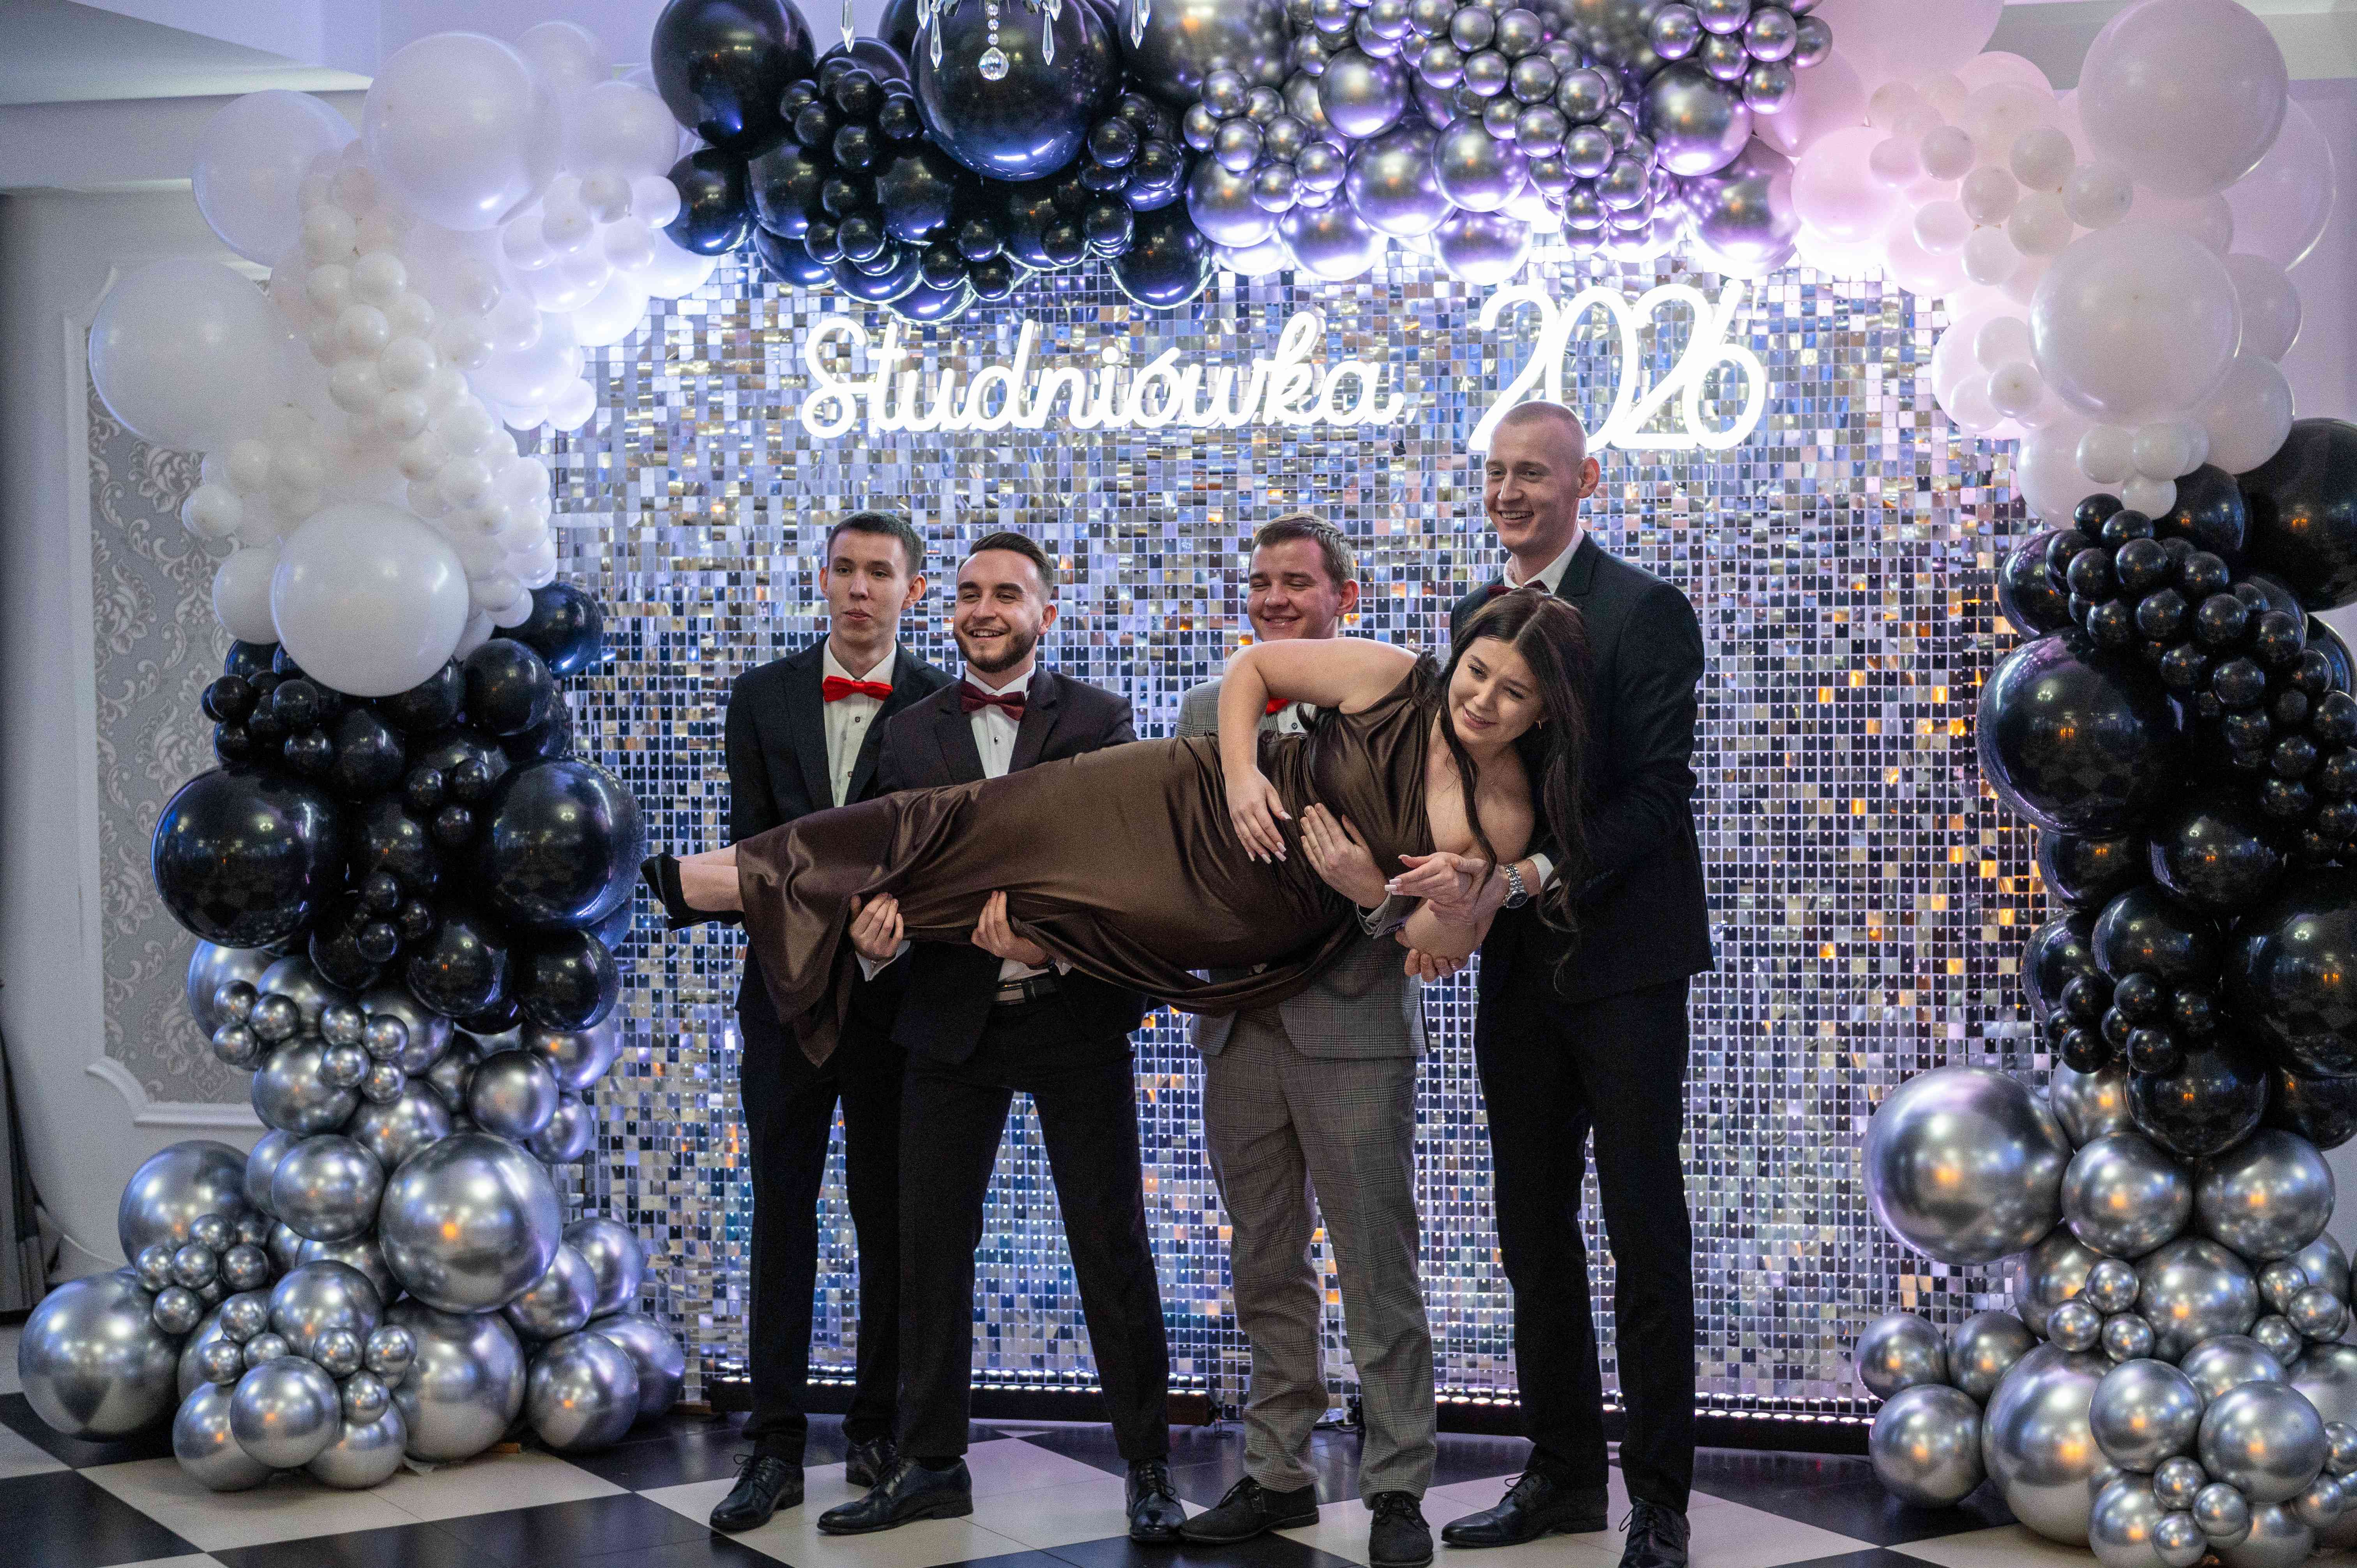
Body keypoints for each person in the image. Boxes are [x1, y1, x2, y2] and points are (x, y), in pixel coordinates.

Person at [805, 531, 1185, 1542]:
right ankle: (932, 1463)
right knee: (929, 1246)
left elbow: (1125, 873)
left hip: (1073, 1016)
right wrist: (875, 939)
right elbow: (877, 869)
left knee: (1110, 1243)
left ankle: (1149, 1465)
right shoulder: (908, 734)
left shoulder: (1100, 721)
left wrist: (1050, 941)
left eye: (1007, 594)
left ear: (1045, 613)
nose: (984, 609)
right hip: (947, 1020)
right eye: (970, 593)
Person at [1395, 402, 1712, 1568]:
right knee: (1531, 1232)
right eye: (1497, 472)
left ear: (1589, 481)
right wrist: (1438, 897)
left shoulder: (1646, 610)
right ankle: (1564, 1476)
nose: (1511, 492)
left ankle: (1660, 1499)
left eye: (1534, 471)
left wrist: (1526, 875)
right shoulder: (1475, 618)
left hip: (1628, 966)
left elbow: (1659, 795)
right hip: (1520, 971)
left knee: (1643, 1230)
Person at [1172, 515, 1438, 1568]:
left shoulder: (1399, 713)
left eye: (1297, 582)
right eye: (1261, 582)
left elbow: (1433, 884)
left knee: (1378, 1266)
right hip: (1239, 1032)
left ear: (1345, 599)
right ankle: (1275, 1473)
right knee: (1264, 1264)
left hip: (1355, 1030)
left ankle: (1399, 1486)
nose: (1274, 599)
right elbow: (1186, 864)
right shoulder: (1205, 713)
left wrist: (1372, 897)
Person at [710, 509, 952, 1533]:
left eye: (879, 573)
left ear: (912, 591)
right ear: (822, 580)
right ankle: (773, 1442)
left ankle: (878, 1427)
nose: (859, 588)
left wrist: (891, 931)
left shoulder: (941, 704)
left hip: (895, 1004)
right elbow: (754, 854)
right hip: (783, 998)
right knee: (780, 1214)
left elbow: (942, 856)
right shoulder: (760, 697)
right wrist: (825, 933)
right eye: (845, 570)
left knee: (890, 1218)